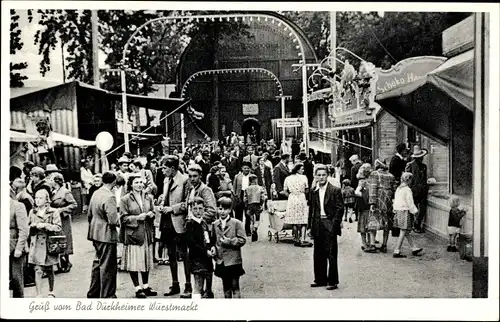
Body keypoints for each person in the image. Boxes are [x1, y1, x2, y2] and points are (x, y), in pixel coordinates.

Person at [119, 176, 158, 298]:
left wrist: (152, 213)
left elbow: (153, 211)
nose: (139, 184)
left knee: (145, 259)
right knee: (134, 261)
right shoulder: (125, 199)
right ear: (131, 185)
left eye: (141, 182)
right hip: (133, 234)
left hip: (146, 233)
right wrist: (137, 218)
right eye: (136, 182)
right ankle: (137, 288)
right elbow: (123, 218)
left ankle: (146, 286)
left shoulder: (148, 197)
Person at [159, 155, 192, 298]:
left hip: (179, 222)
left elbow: (187, 203)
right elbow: (166, 197)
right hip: (166, 221)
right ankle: (175, 284)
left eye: (164, 168)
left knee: (184, 254)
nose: (162, 171)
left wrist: (172, 208)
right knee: (171, 254)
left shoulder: (185, 181)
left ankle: (188, 285)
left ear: (173, 168)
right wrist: (162, 201)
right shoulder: (166, 180)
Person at [308, 165, 344, 290]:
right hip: (317, 224)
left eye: (324, 175)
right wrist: (309, 227)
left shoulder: (334, 190)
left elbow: (340, 209)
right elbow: (311, 210)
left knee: (331, 254)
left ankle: (332, 281)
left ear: (327, 176)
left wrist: (334, 225)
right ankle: (320, 279)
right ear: (315, 176)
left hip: (329, 224)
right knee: (318, 253)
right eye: (319, 175)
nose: (321, 177)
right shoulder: (313, 191)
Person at [87, 171, 120, 298]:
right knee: (108, 266)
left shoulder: (96, 192)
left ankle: (93, 292)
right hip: (106, 234)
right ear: (114, 182)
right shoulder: (110, 196)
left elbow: (90, 214)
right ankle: (108, 294)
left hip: (95, 232)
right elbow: (113, 220)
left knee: (97, 264)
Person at [28, 189, 62, 298]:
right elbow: (27, 226)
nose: (37, 200)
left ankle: (51, 290)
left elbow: (58, 227)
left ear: (47, 199)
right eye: (36, 198)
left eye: (40, 198)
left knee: (49, 268)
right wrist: (32, 226)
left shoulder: (54, 212)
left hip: (49, 244)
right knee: (37, 269)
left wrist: (45, 225)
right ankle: (39, 294)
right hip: (37, 244)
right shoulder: (32, 212)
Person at [212, 197, 247, 298]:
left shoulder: (237, 223)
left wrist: (230, 242)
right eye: (220, 209)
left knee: (235, 285)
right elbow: (213, 240)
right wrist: (213, 248)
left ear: (230, 210)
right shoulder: (215, 224)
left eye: (225, 209)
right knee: (226, 286)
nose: (222, 211)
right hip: (221, 260)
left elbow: (242, 240)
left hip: (233, 261)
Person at [185, 197, 215, 299]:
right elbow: (191, 244)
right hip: (196, 258)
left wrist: (211, 247)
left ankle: (208, 293)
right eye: (195, 209)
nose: (198, 211)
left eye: (200, 208)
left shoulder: (204, 223)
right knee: (198, 283)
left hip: (207, 258)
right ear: (191, 210)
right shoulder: (190, 224)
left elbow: (208, 239)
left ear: (204, 209)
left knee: (209, 279)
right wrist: (205, 251)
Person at [50, 172, 77, 273]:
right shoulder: (53, 191)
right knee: (57, 239)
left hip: (63, 219)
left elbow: (74, 204)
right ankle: (60, 263)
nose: (49, 181)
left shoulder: (65, 192)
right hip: (55, 219)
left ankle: (67, 262)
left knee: (64, 239)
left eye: (51, 179)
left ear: (56, 181)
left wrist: (61, 210)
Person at [392, 172, 423, 258]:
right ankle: (397, 251)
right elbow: (410, 202)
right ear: (408, 180)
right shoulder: (407, 190)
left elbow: (395, 201)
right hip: (405, 211)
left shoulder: (399, 188)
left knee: (405, 231)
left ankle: (414, 248)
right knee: (403, 231)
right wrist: (415, 212)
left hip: (398, 210)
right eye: (411, 180)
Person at [368, 159, 396, 253]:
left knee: (373, 221)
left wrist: (372, 202)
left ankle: (372, 244)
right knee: (386, 223)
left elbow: (372, 188)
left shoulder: (375, 174)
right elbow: (394, 189)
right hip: (387, 201)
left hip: (378, 199)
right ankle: (384, 245)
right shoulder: (391, 176)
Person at [283, 163, 311, 247]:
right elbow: (307, 189)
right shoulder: (304, 177)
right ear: (298, 169)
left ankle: (297, 238)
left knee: (294, 220)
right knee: (303, 219)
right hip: (301, 197)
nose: (303, 170)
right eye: (302, 169)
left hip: (292, 198)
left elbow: (285, 191)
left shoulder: (288, 178)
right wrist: (301, 194)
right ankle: (303, 239)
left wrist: (291, 195)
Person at [405, 146, 429, 233]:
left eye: (422, 157)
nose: (421, 159)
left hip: (422, 191)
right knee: (412, 208)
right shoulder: (410, 165)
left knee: (422, 209)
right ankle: (411, 225)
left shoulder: (424, 166)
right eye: (420, 157)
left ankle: (417, 224)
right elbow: (406, 178)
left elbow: (424, 178)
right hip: (413, 190)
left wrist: (426, 186)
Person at [10, 192, 29, 298]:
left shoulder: (17, 206)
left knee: (16, 279)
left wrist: (19, 248)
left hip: (14, 247)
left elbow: (24, 230)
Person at [355, 163, 376, 252]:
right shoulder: (362, 181)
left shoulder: (368, 180)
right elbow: (356, 192)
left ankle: (368, 243)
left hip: (366, 205)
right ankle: (365, 243)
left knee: (367, 225)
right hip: (364, 206)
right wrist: (365, 197)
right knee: (365, 225)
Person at [244, 174, 266, 242]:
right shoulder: (260, 188)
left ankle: (252, 228)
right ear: (256, 180)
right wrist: (262, 205)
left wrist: (246, 205)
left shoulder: (247, 189)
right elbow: (263, 198)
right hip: (257, 204)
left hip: (250, 205)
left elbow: (245, 199)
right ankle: (255, 229)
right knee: (257, 219)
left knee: (251, 219)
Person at [232, 161, 253, 229]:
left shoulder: (252, 176)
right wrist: (235, 196)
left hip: (249, 195)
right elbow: (234, 187)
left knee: (248, 213)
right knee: (238, 213)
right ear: (242, 168)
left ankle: (247, 229)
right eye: (245, 168)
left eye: (248, 168)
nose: (246, 169)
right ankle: (239, 229)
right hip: (240, 195)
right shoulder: (237, 176)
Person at [349, 155, 363, 221]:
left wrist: (352, 187)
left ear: (354, 161)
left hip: (356, 186)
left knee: (356, 201)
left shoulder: (353, 168)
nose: (351, 163)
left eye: (352, 161)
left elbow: (352, 179)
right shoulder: (363, 165)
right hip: (364, 185)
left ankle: (357, 216)